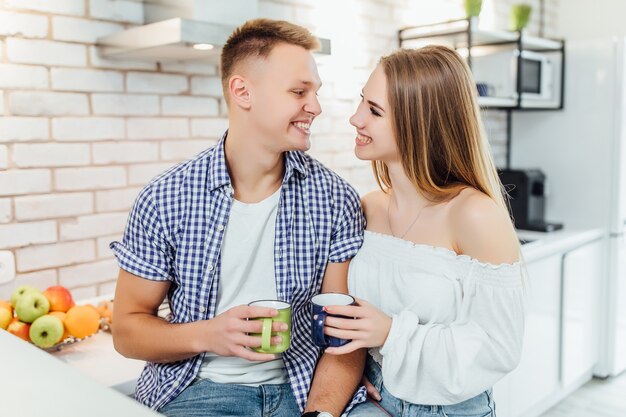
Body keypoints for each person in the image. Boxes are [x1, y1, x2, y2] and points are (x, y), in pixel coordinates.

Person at [110, 19, 367, 417]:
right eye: (299, 91)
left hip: (301, 392)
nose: (315, 106)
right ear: (242, 91)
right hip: (197, 392)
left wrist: (321, 412)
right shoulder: (166, 198)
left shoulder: (336, 199)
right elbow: (127, 332)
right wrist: (211, 334)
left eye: (315, 92)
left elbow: (340, 337)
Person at [321, 45, 525, 417]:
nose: (355, 119)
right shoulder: (368, 207)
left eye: (374, 111)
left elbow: (499, 348)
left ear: (421, 123)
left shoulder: (474, 215)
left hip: (449, 409)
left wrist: (390, 333)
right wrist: (354, 379)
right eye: (361, 102)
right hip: (373, 397)